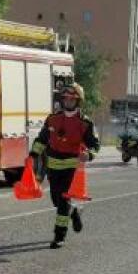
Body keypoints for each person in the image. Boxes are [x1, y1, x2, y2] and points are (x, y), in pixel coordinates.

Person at [31, 83, 101, 250]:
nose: (69, 101)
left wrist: (89, 154)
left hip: (71, 168)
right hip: (53, 166)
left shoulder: (85, 123)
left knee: (62, 201)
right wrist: (32, 156)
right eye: (66, 98)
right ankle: (74, 211)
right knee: (57, 201)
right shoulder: (52, 118)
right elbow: (42, 139)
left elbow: (95, 144)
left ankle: (59, 236)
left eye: (72, 99)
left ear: (78, 101)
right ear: (62, 100)